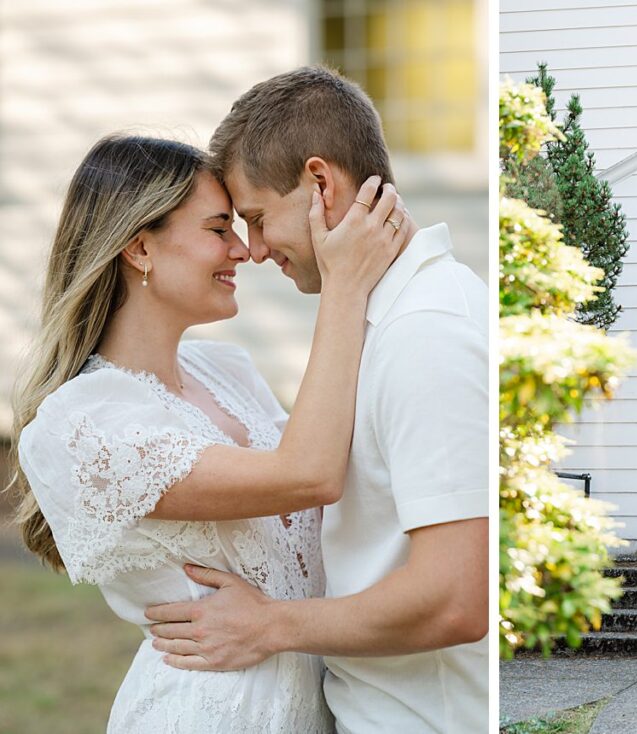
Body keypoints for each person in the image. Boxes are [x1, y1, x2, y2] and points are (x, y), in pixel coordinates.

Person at [10, 134, 406, 731]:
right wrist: (343, 283)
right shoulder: (82, 423)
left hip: (315, 703)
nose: (244, 251)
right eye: (219, 229)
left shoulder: (227, 371)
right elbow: (310, 474)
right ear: (140, 248)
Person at [143, 67, 489, 734]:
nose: (256, 249)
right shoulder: (380, 319)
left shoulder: (426, 334)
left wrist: (268, 625)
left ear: (320, 183)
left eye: (257, 218)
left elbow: (454, 597)